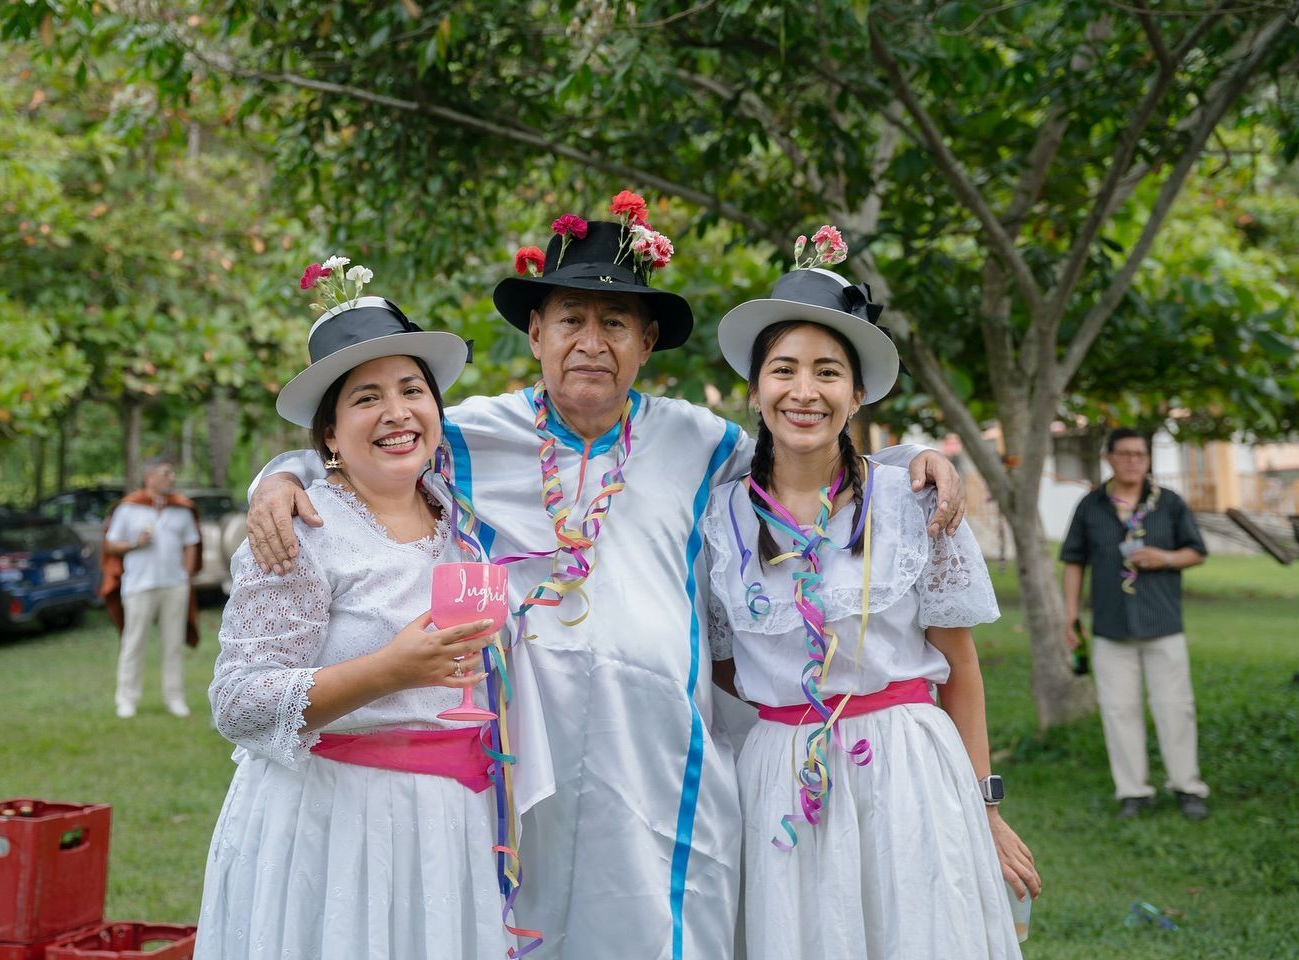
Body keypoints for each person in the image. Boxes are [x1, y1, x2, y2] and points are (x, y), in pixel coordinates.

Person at [245, 198, 966, 958]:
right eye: (570, 321)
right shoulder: (467, 438)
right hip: (527, 758)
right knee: (532, 926)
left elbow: (801, 457)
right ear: (535, 334)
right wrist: (281, 475)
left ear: (647, 341)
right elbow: (370, 447)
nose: (592, 343)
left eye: (615, 323)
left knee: (663, 929)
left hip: (664, 759)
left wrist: (912, 461)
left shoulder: (703, 440)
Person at [702, 248, 1040, 958]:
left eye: (829, 372)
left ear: (857, 395)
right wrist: (793, 724)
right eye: (784, 370)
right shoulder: (717, 518)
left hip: (908, 770)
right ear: (755, 389)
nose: (805, 391)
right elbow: (727, 663)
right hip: (781, 781)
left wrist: (985, 808)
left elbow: (962, 669)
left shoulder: (913, 502)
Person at [194, 284, 511, 958]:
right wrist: (388, 671)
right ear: (330, 434)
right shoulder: (301, 531)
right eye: (367, 399)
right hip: (332, 826)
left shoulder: (467, 518)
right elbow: (238, 703)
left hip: (447, 825)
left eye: (410, 390)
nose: (396, 413)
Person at [1060, 428, 1210, 820]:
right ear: (1109, 457)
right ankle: (1133, 792)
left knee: (1175, 707)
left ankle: (1187, 787)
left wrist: (1164, 558)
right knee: (1118, 710)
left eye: (1139, 455)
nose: (1132, 461)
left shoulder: (1169, 503)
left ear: (1147, 459)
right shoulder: (1091, 505)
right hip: (1111, 625)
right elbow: (1074, 561)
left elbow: (1197, 552)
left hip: (1163, 621)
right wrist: (1070, 615)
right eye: (1124, 454)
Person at [102, 456, 202, 718]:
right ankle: (126, 700)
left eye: (171, 473)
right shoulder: (128, 508)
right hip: (138, 585)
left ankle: (175, 698)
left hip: (173, 585)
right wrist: (135, 543)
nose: (172, 478)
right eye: (166, 473)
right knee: (133, 643)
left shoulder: (180, 508)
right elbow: (111, 544)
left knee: (173, 644)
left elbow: (192, 541)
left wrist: (186, 575)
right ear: (149, 477)